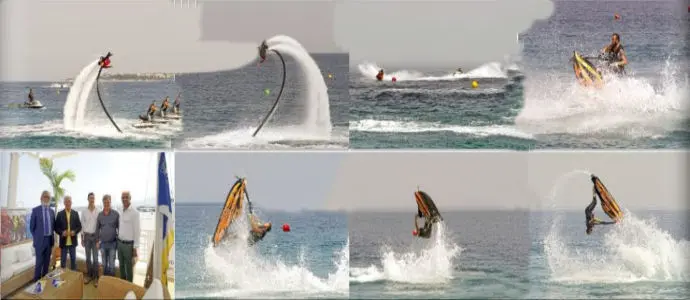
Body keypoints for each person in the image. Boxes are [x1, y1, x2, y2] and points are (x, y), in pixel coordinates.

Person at [29, 191, 56, 282]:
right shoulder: (35, 210)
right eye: (45, 197)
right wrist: (37, 238)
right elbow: (31, 228)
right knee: (39, 262)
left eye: (48, 197)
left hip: (49, 240)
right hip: (40, 241)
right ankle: (36, 282)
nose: (46, 198)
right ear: (41, 198)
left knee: (47, 262)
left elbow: (53, 226)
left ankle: (44, 281)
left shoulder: (52, 212)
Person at [117, 191, 140, 283]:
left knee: (129, 267)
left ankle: (129, 285)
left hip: (128, 245)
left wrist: (135, 247)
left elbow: (137, 231)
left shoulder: (134, 213)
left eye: (126, 197)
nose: (124, 199)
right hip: (120, 243)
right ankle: (123, 283)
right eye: (123, 197)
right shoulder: (120, 211)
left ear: (130, 198)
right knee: (121, 265)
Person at [96, 194, 119, 286]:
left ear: (110, 202)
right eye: (105, 202)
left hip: (113, 244)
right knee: (104, 264)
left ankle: (111, 283)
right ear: (103, 203)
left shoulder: (116, 214)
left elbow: (120, 228)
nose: (106, 204)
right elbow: (97, 229)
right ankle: (105, 283)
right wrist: (97, 241)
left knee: (112, 265)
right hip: (103, 244)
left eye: (108, 202)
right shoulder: (100, 215)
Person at [55, 195, 82, 271]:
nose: (68, 203)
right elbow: (56, 228)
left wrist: (75, 232)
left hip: (72, 242)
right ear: (64, 203)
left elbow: (79, 227)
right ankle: (63, 278)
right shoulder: (59, 214)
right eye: (66, 201)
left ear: (71, 202)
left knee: (73, 261)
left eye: (69, 201)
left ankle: (73, 279)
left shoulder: (75, 213)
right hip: (63, 243)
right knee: (63, 262)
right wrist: (62, 233)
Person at [80, 192, 99, 284]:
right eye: (90, 198)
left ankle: (96, 277)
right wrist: (82, 238)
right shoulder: (84, 211)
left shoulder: (98, 211)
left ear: (94, 199)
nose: (92, 199)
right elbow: (82, 226)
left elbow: (100, 226)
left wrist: (99, 239)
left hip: (95, 237)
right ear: (88, 199)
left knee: (95, 258)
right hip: (87, 237)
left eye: (93, 198)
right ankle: (89, 275)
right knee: (88, 258)